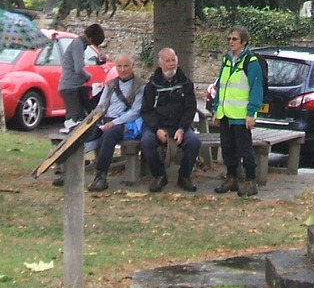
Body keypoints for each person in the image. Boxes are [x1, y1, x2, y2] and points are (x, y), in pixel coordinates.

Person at [139, 47, 201, 193]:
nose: (171, 64)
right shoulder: (151, 86)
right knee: (146, 142)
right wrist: (157, 129)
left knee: (194, 142)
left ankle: (184, 176)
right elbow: (146, 111)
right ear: (160, 63)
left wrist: (182, 128)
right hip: (158, 127)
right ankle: (159, 175)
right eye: (167, 61)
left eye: (173, 60)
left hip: (180, 126)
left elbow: (190, 108)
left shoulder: (186, 84)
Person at [211, 26, 264, 197]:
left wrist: (251, 113)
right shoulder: (227, 60)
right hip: (226, 113)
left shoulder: (251, 61)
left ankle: (250, 180)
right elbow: (221, 85)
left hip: (241, 115)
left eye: (234, 39)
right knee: (227, 148)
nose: (230, 42)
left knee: (244, 149)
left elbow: (256, 87)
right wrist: (216, 108)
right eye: (229, 39)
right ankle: (231, 177)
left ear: (244, 42)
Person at [86, 53, 145, 193]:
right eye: (119, 66)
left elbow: (136, 111)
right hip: (106, 120)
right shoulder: (111, 84)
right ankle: (67, 169)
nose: (123, 70)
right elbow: (101, 106)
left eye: (126, 66)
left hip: (127, 124)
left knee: (109, 135)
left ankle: (101, 176)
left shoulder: (141, 86)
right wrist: (92, 120)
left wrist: (114, 123)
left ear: (132, 66)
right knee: (81, 134)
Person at [58, 23, 107, 133]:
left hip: (73, 87)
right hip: (70, 88)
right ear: (91, 38)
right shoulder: (78, 44)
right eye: (93, 42)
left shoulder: (79, 44)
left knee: (84, 117)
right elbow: (79, 69)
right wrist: (88, 76)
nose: (91, 45)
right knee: (77, 121)